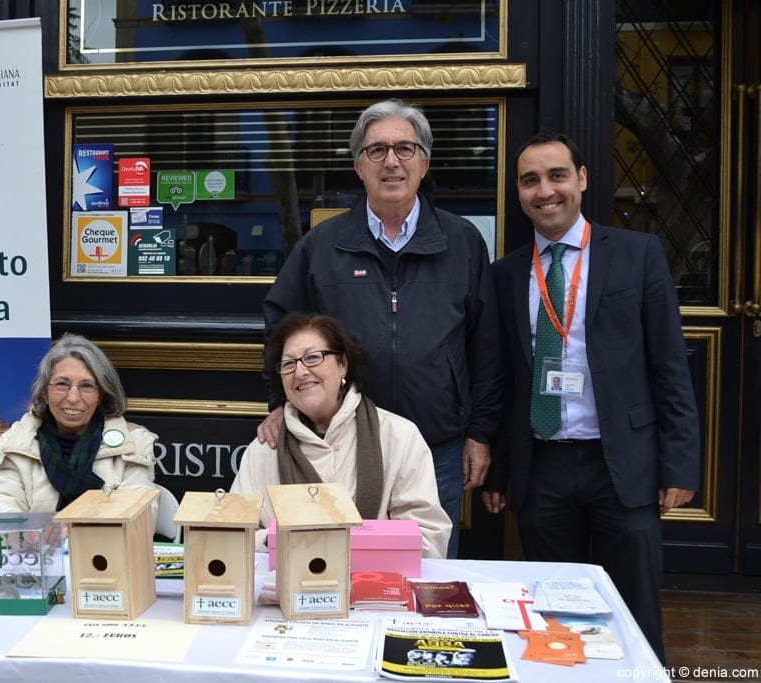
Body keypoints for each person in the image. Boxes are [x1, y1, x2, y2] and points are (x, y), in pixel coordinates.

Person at [482, 132, 700, 662]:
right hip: (543, 467)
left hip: (622, 464)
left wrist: (680, 465)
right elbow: (502, 378)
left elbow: (669, 366)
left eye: (557, 175)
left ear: (581, 179)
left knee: (633, 610)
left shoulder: (637, 255)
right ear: (518, 191)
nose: (545, 191)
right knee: (557, 613)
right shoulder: (506, 273)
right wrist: (499, 471)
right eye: (530, 180)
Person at [259, 99, 501, 558]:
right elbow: (281, 327)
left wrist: (480, 433)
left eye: (405, 149)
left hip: (438, 448)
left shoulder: (463, 242)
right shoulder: (323, 246)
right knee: (333, 569)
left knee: (426, 574)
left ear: (424, 163)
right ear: (358, 166)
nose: (392, 161)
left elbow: (486, 347)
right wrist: (280, 401)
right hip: (341, 449)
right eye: (377, 151)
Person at [232, 313, 452, 558]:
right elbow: (234, 536)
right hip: (288, 592)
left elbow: (429, 540)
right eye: (288, 364)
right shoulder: (264, 449)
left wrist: (345, 544)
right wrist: (281, 539)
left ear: (343, 364)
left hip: (377, 591)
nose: (301, 371)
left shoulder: (399, 437)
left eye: (313, 357)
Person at [0, 333, 158, 513]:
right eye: (62, 384)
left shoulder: (132, 443)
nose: (73, 398)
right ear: (44, 393)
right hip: (35, 542)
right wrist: (24, 532)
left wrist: (71, 528)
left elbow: (140, 513)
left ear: (101, 395)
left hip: (104, 542)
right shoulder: (17, 442)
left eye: (86, 386)